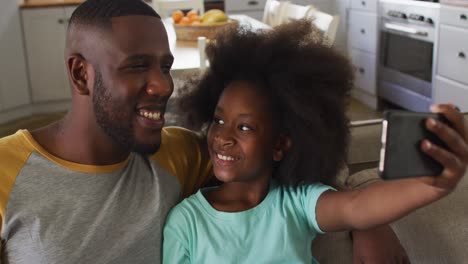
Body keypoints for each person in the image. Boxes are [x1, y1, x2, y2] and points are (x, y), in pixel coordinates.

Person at [0, 0, 416, 262]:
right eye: (137, 65)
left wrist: (369, 223)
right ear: (81, 73)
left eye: (165, 65)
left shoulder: (178, 152)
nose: (164, 85)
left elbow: (286, 157)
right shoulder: (6, 170)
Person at [162, 20, 468, 263]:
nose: (223, 137)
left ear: (280, 145)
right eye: (218, 120)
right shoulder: (186, 222)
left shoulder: (295, 203)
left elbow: (357, 207)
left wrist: (434, 184)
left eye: (244, 127)